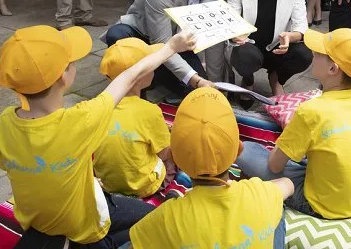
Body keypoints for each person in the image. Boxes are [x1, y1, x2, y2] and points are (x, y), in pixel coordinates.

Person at [0, 25, 197, 247]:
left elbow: (9, 166)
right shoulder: (81, 121)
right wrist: (172, 47)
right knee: (156, 219)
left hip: (39, 223)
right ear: (64, 76)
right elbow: (129, 77)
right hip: (85, 225)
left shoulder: (3, 123)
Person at [236, 28, 351, 219]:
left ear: (332, 69)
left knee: (245, 150)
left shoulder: (311, 110)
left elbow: (274, 166)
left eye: (319, 52)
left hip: (320, 205)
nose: (313, 53)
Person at [126, 87, 294, 249]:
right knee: (278, 208)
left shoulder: (165, 219)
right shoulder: (261, 193)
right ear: (238, 150)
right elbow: (288, 184)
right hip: (261, 201)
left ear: (173, 157)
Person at [227, 0, 312, 108]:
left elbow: (301, 26)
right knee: (243, 55)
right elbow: (231, 21)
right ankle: (248, 79)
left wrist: (290, 36)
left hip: (278, 47)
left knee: (304, 55)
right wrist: (236, 34)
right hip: (249, 46)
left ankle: (277, 78)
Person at [94, 38, 176, 198]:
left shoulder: (96, 106)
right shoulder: (150, 111)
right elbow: (164, 154)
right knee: (173, 158)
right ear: (139, 76)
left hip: (106, 183)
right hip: (143, 186)